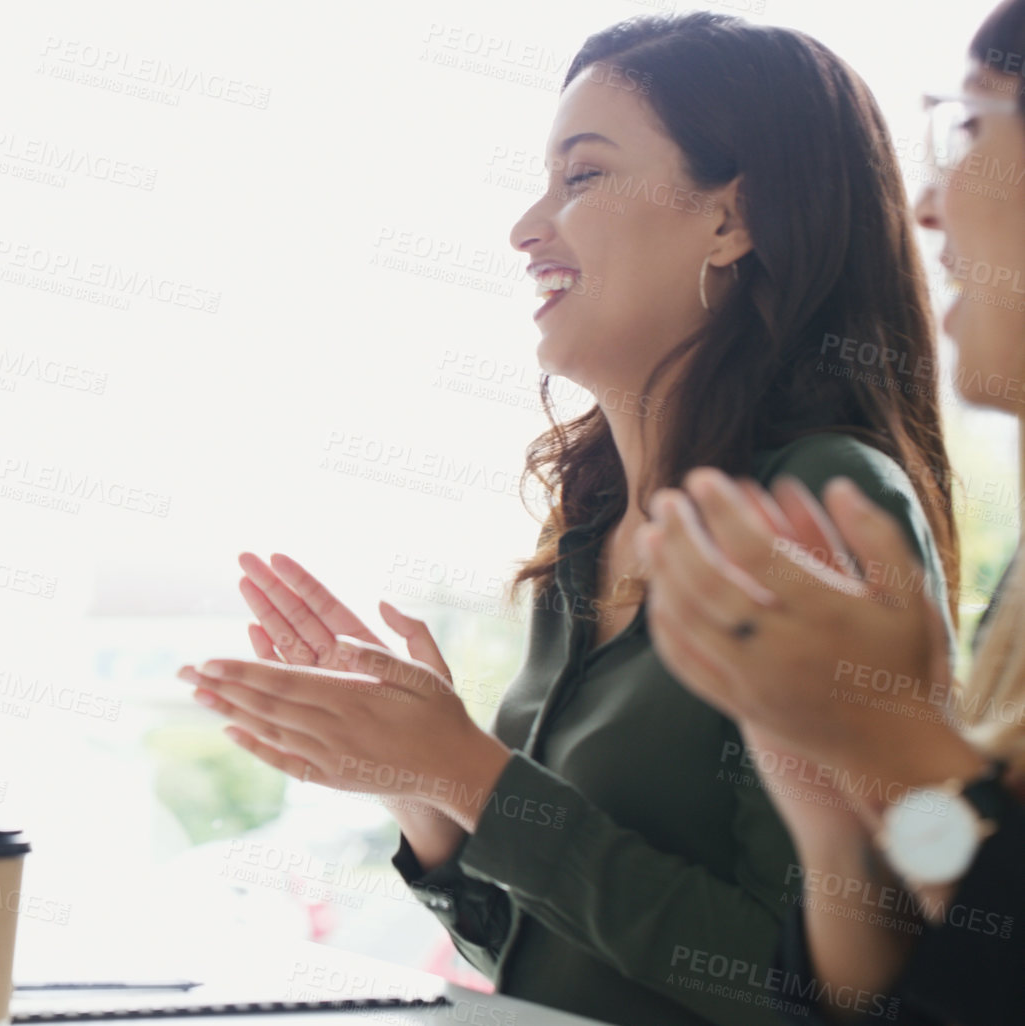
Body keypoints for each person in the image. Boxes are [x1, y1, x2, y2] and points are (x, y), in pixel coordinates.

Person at [178, 13, 960, 1025]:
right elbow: (550, 961)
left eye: (581, 177)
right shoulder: (591, 533)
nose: (525, 228)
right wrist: (423, 790)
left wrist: (471, 772)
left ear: (732, 220)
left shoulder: (821, 506)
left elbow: (822, 997)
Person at [636, 3, 1025, 1022]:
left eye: (974, 125)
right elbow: (960, 927)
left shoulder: (831, 487)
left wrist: (890, 747)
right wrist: (839, 816)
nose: (929, 205)